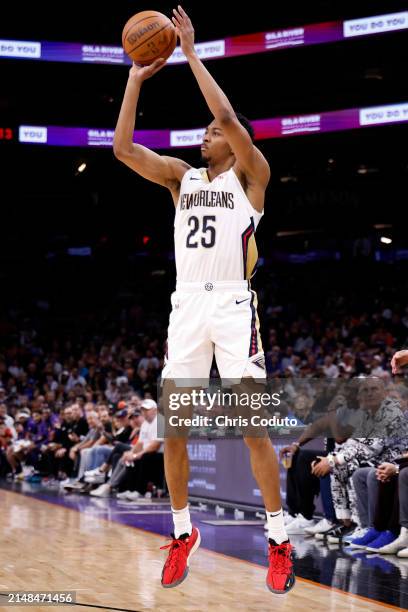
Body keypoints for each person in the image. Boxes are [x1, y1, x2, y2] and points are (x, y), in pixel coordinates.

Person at [113, 5, 294, 595]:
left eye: (215, 132)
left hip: (233, 306)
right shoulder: (179, 178)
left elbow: (224, 113)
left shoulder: (251, 178)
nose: (206, 133)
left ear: (236, 141)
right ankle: (184, 531)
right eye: (208, 132)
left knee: (252, 428)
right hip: (187, 306)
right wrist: (135, 79)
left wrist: (189, 53)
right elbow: (121, 149)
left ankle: (278, 538)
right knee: (175, 428)